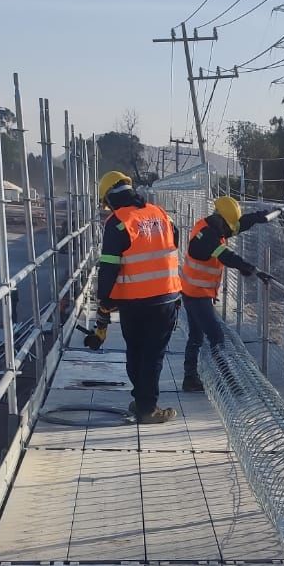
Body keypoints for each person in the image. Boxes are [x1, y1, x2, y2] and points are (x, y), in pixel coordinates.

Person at [85, 171, 181, 424]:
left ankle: (145, 405)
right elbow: (175, 241)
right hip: (165, 298)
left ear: (109, 199)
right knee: (153, 355)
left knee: (136, 352)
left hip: (133, 302)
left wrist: (104, 301)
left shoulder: (118, 222)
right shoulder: (161, 214)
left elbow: (108, 267)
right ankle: (145, 405)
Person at [179, 195, 276, 391]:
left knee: (196, 337)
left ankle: (190, 378)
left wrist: (260, 216)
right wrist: (253, 270)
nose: (230, 230)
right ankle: (229, 383)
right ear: (221, 220)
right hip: (197, 295)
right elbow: (227, 256)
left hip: (193, 292)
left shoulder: (214, 226)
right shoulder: (207, 237)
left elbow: (240, 224)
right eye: (228, 226)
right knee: (216, 337)